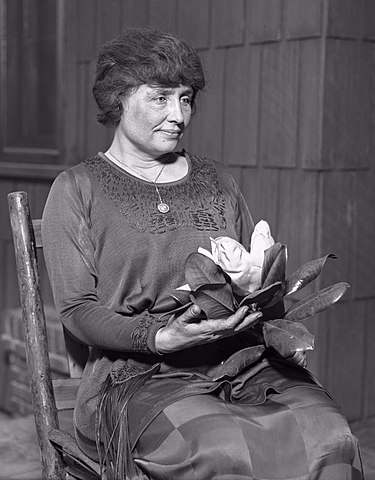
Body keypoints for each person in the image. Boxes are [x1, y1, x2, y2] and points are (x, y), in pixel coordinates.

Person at [42, 27, 363, 480]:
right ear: (117, 98)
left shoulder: (217, 180)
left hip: (241, 362)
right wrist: (159, 337)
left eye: (186, 98)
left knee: (329, 434)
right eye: (160, 98)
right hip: (139, 377)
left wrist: (261, 292)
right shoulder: (79, 188)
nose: (178, 115)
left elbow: (262, 277)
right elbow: (77, 310)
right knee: (220, 447)